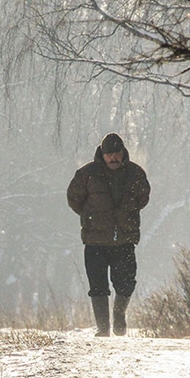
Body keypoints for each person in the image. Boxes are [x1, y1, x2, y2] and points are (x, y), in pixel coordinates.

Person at [67, 132, 150, 336]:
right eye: (109, 154)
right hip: (95, 240)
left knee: (126, 283)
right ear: (102, 154)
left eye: (116, 154)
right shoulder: (86, 174)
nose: (113, 158)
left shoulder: (135, 173)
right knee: (98, 285)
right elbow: (73, 198)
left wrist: (125, 215)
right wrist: (91, 217)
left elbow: (143, 198)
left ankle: (119, 315)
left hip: (125, 239)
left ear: (123, 153)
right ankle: (103, 329)